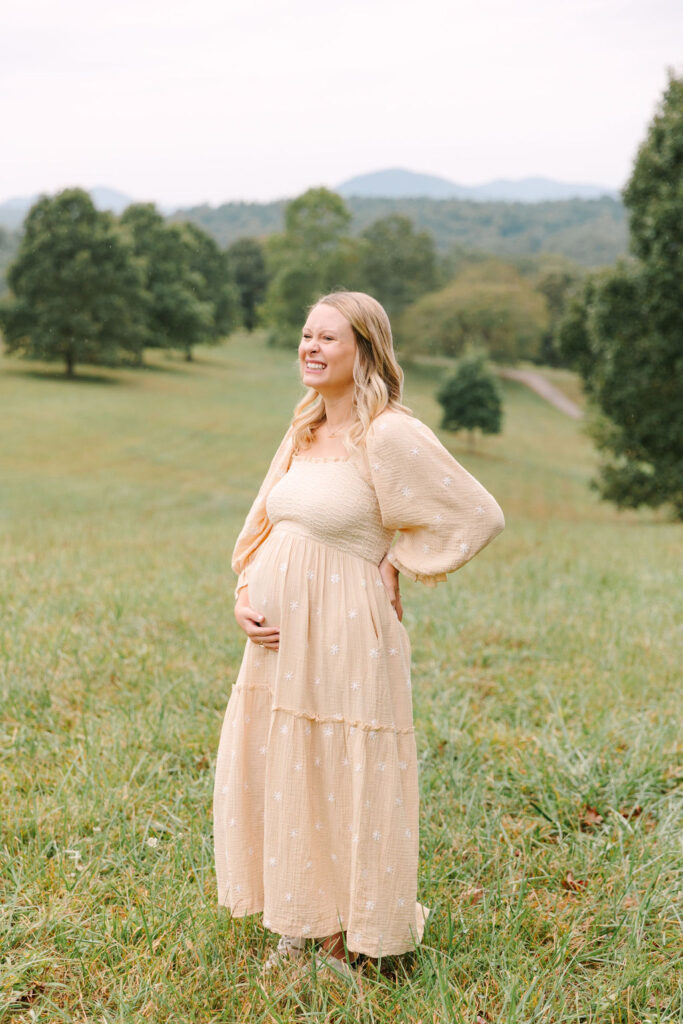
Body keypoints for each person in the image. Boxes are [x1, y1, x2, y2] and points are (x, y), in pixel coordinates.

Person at [213, 291, 505, 975]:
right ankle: (299, 922)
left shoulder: (389, 434)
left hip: (347, 631)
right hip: (279, 641)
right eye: (305, 335)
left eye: (328, 339)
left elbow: (477, 513)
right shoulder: (303, 427)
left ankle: (352, 934)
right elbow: (263, 527)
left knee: (342, 769)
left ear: (365, 351)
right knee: (286, 768)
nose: (309, 349)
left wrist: (398, 558)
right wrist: (244, 594)